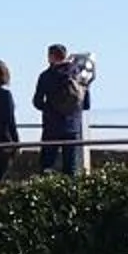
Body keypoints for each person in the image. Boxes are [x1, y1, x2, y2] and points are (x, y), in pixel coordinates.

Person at [33, 43, 89, 176]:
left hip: (51, 126)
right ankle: (71, 188)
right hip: (72, 127)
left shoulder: (46, 76)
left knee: (47, 165)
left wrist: (49, 109)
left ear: (51, 57)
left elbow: (37, 102)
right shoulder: (78, 74)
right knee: (71, 166)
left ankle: (46, 187)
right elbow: (86, 103)